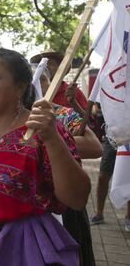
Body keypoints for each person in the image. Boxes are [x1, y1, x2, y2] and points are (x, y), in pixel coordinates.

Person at [0, 48, 90, 266]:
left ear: (20, 87)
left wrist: (52, 138)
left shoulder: (44, 130)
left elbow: (77, 198)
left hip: (20, 249)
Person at [32, 67, 101, 266]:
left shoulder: (61, 113)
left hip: (64, 207)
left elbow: (95, 147)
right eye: (33, 79)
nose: (38, 84)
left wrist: (52, 138)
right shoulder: (3, 117)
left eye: (43, 79)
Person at [30, 49, 88, 115]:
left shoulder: (73, 92)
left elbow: (88, 122)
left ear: (60, 68)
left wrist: (73, 102)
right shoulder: (31, 91)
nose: (45, 66)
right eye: (41, 64)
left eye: (50, 63)